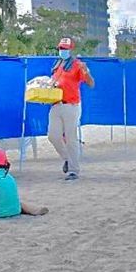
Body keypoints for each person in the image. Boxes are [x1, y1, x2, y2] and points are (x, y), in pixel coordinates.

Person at [48, 38, 94, 181]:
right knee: (52, 136)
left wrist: (86, 72)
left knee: (71, 138)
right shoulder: (57, 65)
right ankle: (68, 159)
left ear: (71, 49)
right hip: (56, 104)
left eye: (65, 48)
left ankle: (74, 170)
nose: (63, 51)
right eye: (61, 48)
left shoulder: (77, 65)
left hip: (71, 105)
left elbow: (91, 84)